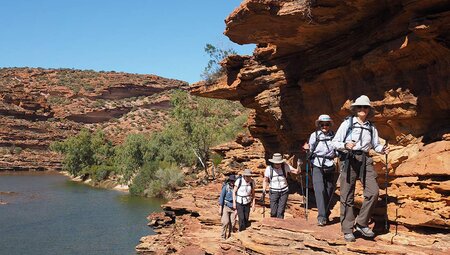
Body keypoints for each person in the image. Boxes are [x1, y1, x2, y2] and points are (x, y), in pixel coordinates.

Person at [332, 95, 389, 242]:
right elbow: (335, 142)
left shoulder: (371, 126)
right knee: (347, 195)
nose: (362, 109)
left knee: (373, 192)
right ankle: (347, 229)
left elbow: (375, 145)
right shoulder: (347, 123)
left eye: (365, 107)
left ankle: (361, 223)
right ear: (355, 109)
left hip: (365, 159)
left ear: (369, 110)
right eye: (360, 107)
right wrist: (345, 145)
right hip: (349, 158)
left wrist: (383, 149)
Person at [303, 114, 337, 226]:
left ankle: (325, 214)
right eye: (322, 124)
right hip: (317, 164)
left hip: (330, 165)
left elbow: (338, 148)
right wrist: (307, 149)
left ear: (329, 125)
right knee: (319, 190)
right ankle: (321, 217)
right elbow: (310, 148)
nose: (324, 126)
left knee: (329, 190)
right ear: (319, 124)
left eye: (327, 124)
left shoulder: (334, 135)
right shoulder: (315, 135)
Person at [262, 153, 299, 219]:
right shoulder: (269, 169)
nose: (278, 165)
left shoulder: (285, 166)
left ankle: (279, 225)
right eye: (276, 163)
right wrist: (264, 189)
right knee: (273, 212)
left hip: (284, 191)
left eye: (279, 163)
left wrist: (299, 166)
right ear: (273, 162)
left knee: (281, 211)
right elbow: (265, 180)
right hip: (273, 192)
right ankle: (273, 224)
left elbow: (296, 172)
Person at [218, 175, 237, 239]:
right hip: (226, 207)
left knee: (233, 223)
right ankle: (223, 236)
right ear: (229, 181)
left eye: (233, 181)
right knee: (225, 222)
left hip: (234, 208)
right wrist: (220, 207)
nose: (232, 182)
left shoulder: (236, 187)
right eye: (231, 181)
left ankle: (230, 236)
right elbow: (222, 197)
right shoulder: (226, 187)